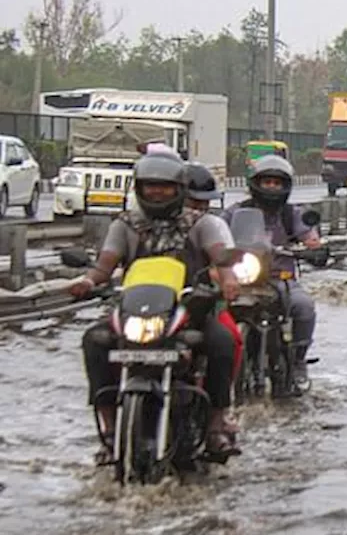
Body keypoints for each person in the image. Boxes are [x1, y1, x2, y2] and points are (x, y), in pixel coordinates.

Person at [70, 152, 243, 462]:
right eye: (150, 186)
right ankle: (109, 430)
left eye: (164, 187)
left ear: (179, 189)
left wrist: (228, 279)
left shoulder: (203, 223)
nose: (157, 193)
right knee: (94, 340)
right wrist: (86, 281)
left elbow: (221, 255)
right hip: (133, 313)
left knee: (222, 341)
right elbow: (104, 267)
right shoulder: (125, 225)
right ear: (139, 188)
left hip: (188, 312)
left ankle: (217, 424)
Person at [222, 155, 322, 391]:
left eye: (277, 183)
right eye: (266, 182)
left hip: (280, 278)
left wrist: (313, 245)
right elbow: (217, 235)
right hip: (242, 278)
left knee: (303, 306)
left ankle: (298, 361)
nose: (271, 187)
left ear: (285, 186)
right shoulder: (235, 212)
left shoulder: (291, 214)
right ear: (255, 183)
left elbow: (310, 236)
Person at [185, 162, 244, 389]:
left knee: (230, 340)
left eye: (204, 203)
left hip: (198, 302)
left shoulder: (213, 225)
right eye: (192, 202)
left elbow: (224, 260)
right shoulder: (137, 223)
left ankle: (220, 407)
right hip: (149, 306)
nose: (198, 209)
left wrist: (227, 279)